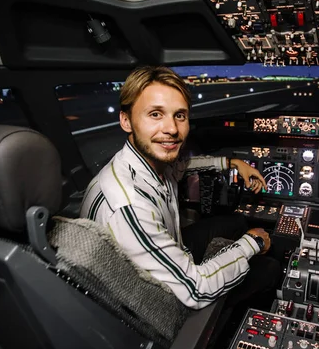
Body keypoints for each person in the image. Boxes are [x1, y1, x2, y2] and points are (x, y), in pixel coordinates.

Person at [80, 65, 281, 310]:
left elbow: (183, 165)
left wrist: (232, 163)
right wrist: (252, 243)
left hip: (168, 253)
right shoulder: (129, 205)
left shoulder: (143, 162)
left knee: (236, 223)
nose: (172, 129)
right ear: (126, 120)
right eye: (155, 114)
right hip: (159, 302)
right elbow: (196, 291)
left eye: (180, 115)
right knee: (269, 268)